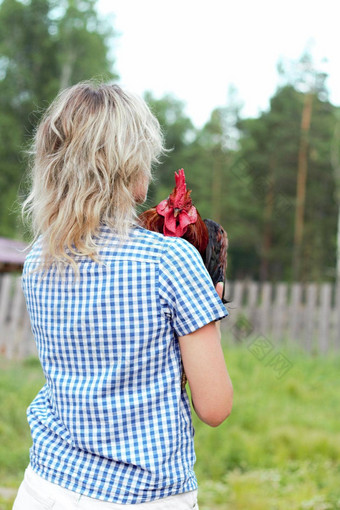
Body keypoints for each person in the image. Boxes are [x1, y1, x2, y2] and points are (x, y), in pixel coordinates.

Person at [13, 82, 233, 510]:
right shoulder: (169, 261)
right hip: (141, 497)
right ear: (131, 164)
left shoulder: (37, 257)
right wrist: (210, 312)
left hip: (44, 487)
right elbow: (215, 407)